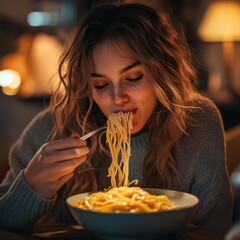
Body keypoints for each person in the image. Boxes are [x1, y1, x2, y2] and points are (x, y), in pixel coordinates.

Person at [0, 2, 233, 238]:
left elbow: (213, 231)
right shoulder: (54, 127)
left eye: (133, 77)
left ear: (162, 74)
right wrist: (33, 186)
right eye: (100, 84)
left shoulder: (196, 120)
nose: (117, 97)